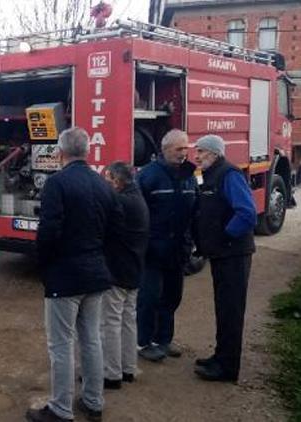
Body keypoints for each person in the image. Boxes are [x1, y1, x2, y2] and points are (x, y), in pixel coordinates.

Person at [26, 127, 123, 422]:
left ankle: (60, 409)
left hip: (65, 277)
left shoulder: (58, 183)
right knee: (91, 338)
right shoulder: (104, 183)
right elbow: (116, 229)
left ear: (60, 152)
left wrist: (43, 265)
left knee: (60, 344)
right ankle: (94, 402)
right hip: (96, 274)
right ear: (87, 151)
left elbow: (48, 231)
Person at [192, 135, 257, 382]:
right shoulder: (206, 174)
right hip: (220, 254)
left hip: (233, 255)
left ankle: (228, 368)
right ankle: (220, 356)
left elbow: (247, 214)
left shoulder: (229, 174)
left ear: (215, 153)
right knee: (223, 307)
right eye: (196, 151)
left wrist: (225, 237)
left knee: (231, 310)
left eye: (201, 151)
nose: (196, 156)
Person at [135, 129, 197, 362]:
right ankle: (143, 342)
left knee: (172, 296)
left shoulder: (189, 175)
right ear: (165, 149)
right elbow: (137, 214)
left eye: (186, 148)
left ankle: (164, 339)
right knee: (148, 297)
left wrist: (194, 242)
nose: (184, 153)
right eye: (179, 149)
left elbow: (195, 211)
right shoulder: (148, 176)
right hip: (152, 250)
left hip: (178, 250)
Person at [101, 162, 150, 390]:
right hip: (134, 269)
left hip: (118, 271)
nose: (106, 184)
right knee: (129, 320)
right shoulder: (137, 197)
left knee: (110, 322)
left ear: (117, 181)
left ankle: (111, 374)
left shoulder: (121, 202)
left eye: (108, 180)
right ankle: (128, 368)